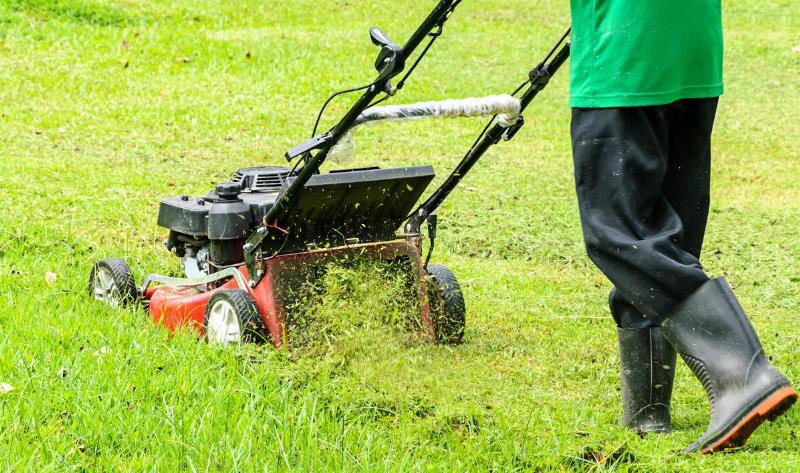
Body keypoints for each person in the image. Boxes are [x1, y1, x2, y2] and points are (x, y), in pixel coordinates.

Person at [568, 0, 797, 453]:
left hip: (624, 51)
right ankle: (647, 410)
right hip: (693, 48)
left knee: (621, 233)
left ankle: (742, 374)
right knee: (664, 234)